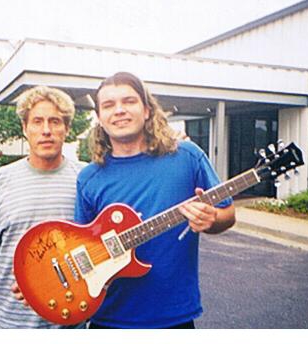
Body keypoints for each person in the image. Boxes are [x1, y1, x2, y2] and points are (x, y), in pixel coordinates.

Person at [75, 71, 236, 329]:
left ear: (147, 110)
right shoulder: (89, 178)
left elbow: (228, 213)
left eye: (129, 101)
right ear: (99, 118)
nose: (119, 110)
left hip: (174, 318)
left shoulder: (187, 156)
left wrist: (212, 218)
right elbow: (79, 246)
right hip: (108, 318)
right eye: (109, 105)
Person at [0, 86, 85, 329]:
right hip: (7, 323)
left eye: (55, 122)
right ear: (24, 128)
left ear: (67, 129)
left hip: (69, 324)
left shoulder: (87, 180)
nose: (46, 131)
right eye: (37, 122)